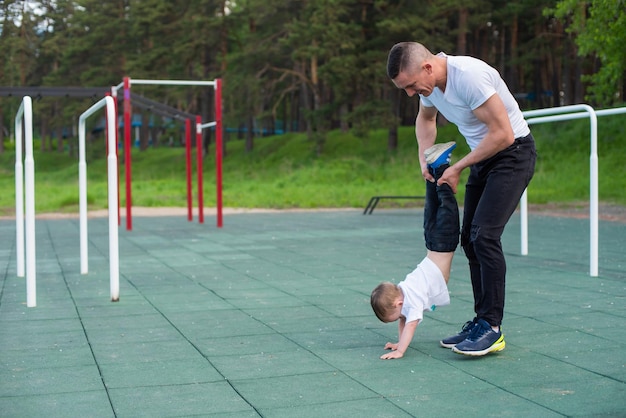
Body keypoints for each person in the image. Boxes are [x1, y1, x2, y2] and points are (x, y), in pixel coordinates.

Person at [386, 42, 536, 356]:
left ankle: (493, 328)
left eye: (411, 86)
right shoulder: (431, 88)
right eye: (405, 89)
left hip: (513, 154)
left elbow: (504, 135)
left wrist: (457, 167)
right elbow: (426, 121)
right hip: (485, 157)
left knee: (485, 235)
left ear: (427, 67)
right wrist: (424, 159)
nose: (412, 94)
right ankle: (481, 321)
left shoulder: (468, 76)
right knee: (469, 238)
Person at [371, 141, 459, 360]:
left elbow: (410, 325)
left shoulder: (413, 300)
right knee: (432, 204)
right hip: (431, 242)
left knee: (446, 203)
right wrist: (397, 342)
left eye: (395, 315)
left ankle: (441, 165)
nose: (399, 318)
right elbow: (403, 319)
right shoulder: (404, 293)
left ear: (398, 303)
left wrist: (401, 350)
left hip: (442, 244)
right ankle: (432, 167)